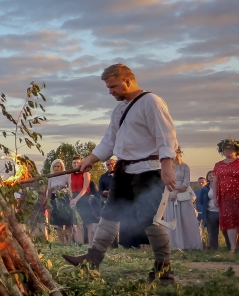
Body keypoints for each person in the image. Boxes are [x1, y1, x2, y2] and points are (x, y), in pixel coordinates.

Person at [64, 64, 179, 284]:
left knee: (150, 220)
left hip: (149, 170)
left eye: (113, 86)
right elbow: (109, 140)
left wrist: (167, 165)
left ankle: (164, 271)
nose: (110, 91)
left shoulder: (151, 102)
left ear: (127, 81)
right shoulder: (119, 110)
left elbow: (167, 135)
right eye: (108, 87)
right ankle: (92, 260)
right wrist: (89, 160)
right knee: (109, 214)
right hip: (124, 170)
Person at [162, 148, 202, 250]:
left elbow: (186, 184)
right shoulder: (166, 168)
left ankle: (190, 245)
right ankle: (174, 245)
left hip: (183, 196)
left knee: (186, 221)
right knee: (172, 220)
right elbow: (164, 182)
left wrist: (175, 190)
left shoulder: (184, 167)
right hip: (170, 196)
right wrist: (171, 192)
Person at [46, 159, 77, 244]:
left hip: (64, 199)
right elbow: (49, 190)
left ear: (61, 167)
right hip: (54, 198)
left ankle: (70, 242)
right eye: (55, 166)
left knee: (67, 222)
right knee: (58, 222)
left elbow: (70, 188)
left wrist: (64, 188)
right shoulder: (50, 177)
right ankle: (62, 243)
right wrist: (48, 202)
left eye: (58, 166)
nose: (56, 168)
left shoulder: (66, 176)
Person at [69, 157, 94, 244]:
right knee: (78, 223)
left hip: (84, 198)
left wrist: (76, 199)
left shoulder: (85, 173)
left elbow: (85, 188)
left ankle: (91, 244)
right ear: (72, 164)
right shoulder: (70, 175)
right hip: (74, 198)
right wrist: (71, 199)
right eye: (74, 163)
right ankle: (81, 244)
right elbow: (69, 188)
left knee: (88, 223)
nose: (76, 164)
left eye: (77, 163)